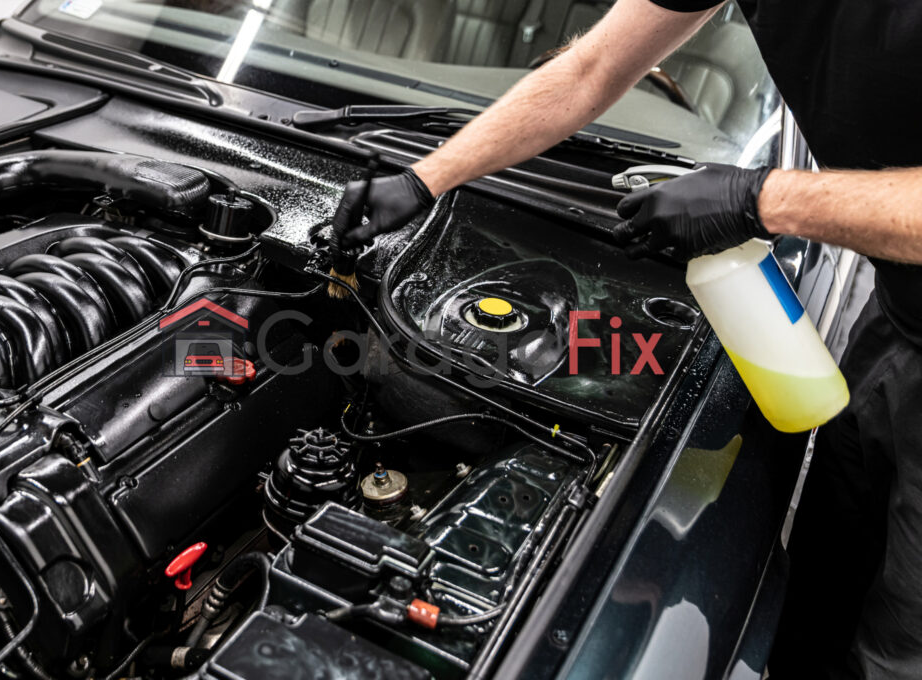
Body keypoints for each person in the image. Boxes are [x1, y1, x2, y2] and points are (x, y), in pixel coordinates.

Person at [331, 1, 922, 678]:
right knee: (824, 584)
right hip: (899, 316)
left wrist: (757, 198)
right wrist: (425, 178)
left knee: (897, 648)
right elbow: (590, 66)